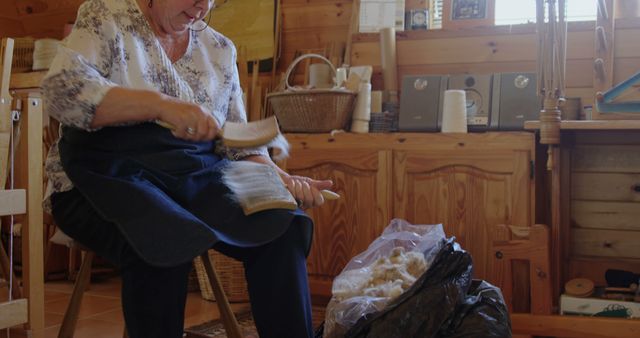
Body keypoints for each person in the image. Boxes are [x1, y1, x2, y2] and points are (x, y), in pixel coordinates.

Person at [41, 0, 333, 337]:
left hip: (194, 175)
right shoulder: (107, 15)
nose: (202, 5)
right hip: (105, 172)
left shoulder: (220, 49)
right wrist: (161, 106)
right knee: (164, 238)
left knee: (284, 226)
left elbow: (239, 141)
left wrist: (279, 179)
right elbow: (61, 90)